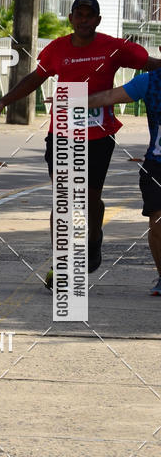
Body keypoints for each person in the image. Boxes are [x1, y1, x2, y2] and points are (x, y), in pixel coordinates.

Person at [0, 0, 161, 286]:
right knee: (64, 201)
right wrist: (2, 102)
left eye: (89, 15)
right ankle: (62, 265)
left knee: (90, 200)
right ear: (71, 19)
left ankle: (93, 236)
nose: (83, 20)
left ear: (98, 20)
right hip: (62, 133)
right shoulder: (57, 49)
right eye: (78, 15)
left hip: (100, 136)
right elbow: (34, 79)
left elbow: (151, 64)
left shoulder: (114, 48)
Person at [88, 72, 161, 295]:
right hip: (157, 163)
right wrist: (71, 101)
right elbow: (109, 96)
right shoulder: (150, 81)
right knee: (157, 224)